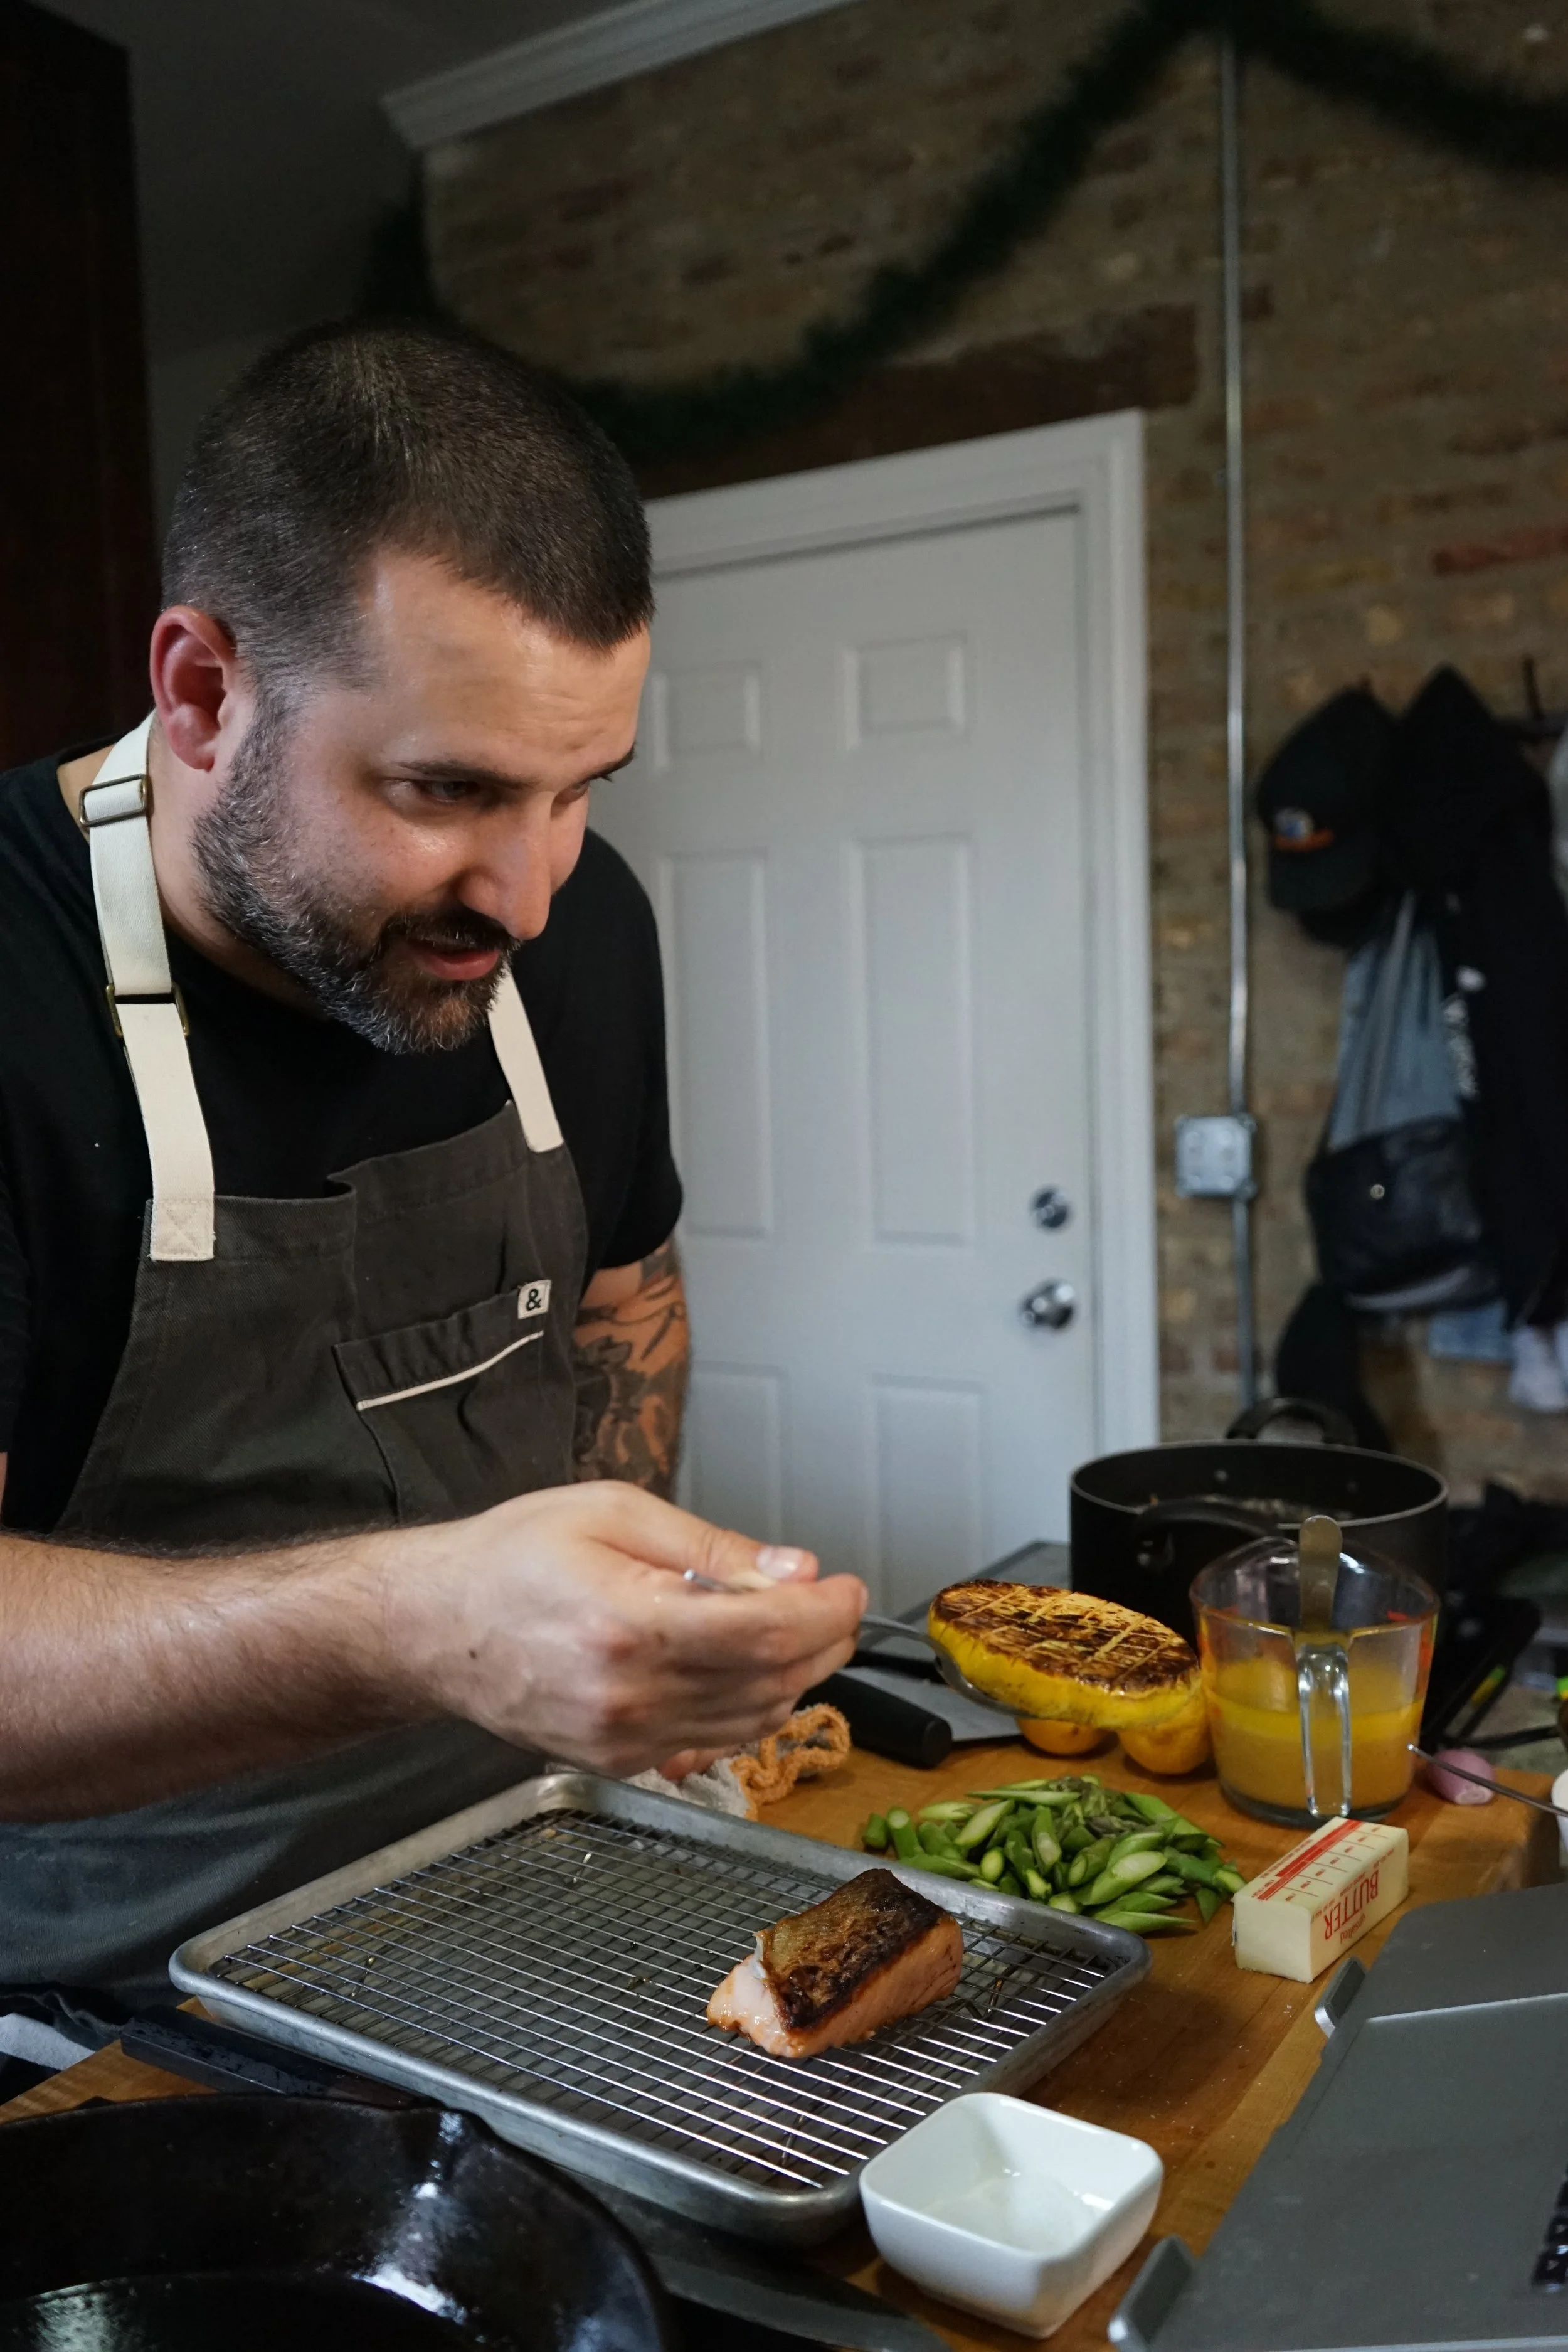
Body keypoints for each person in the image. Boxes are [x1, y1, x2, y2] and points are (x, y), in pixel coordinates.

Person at [0, 319, 864, 2013]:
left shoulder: (578, 929)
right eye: (445, 790)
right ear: (202, 693)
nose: (527, 896)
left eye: (578, 791)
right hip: (109, 2006)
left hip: (531, 1873)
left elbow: (620, 1306)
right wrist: (415, 1625)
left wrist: (650, 1648)